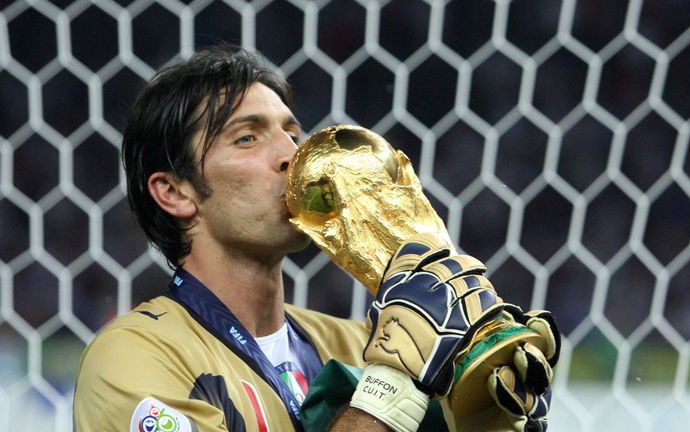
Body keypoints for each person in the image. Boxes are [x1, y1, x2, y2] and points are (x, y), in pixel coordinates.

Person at [73, 45, 558, 432]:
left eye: (291, 132)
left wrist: (492, 412)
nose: (292, 155)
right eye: (248, 138)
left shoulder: (359, 343)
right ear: (175, 192)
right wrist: (389, 388)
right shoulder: (135, 359)